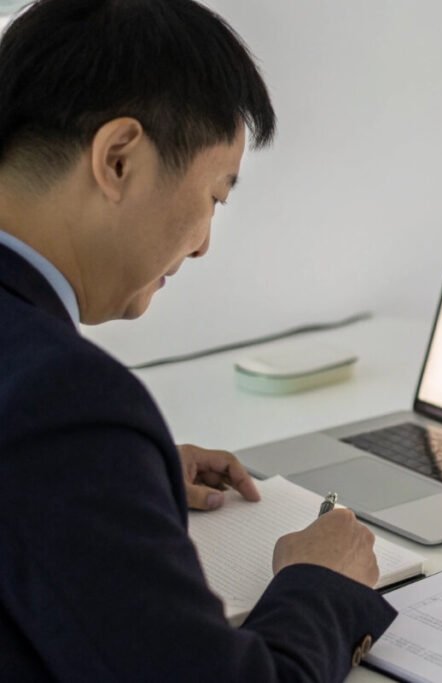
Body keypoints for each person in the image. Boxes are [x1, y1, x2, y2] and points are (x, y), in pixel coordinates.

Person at [0, 1, 396, 680]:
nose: (205, 243)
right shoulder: (66, 404)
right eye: (215, 195)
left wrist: (118, 477)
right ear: (118, 159)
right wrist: (321, 584)